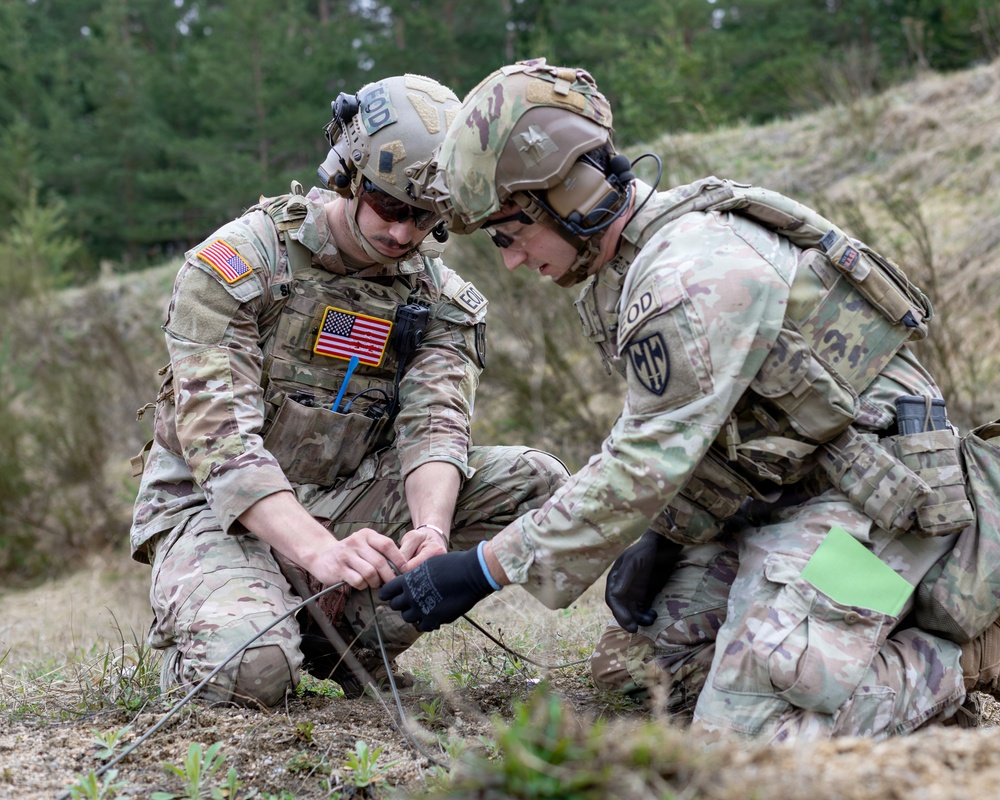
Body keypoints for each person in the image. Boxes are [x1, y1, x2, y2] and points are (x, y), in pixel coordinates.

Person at [379, 59, 1000, 741]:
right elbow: (706, 433)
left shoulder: (690, 274)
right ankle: (845, 651)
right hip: (783, 498)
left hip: (880, 513)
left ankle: (959, 657)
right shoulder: (627, 268)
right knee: (649, 674)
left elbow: (637, 464)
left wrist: (483, 568)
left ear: (567, 195)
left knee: (752, 739)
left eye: (510, 234)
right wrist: (664, 534)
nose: (513, 262)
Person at [129, 73, 568, 707]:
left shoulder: (438, 300)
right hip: (215, 512)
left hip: (347, 499)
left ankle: (348, 644)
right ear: (349, 176)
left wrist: (432, 531)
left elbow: (435, 427)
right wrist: (322, 551)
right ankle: (221, 633)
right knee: (253, 669)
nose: (404, 234)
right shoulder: (239, 266)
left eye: (428, 218)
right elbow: (222, 445)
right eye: (392, 207)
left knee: (536, 483)